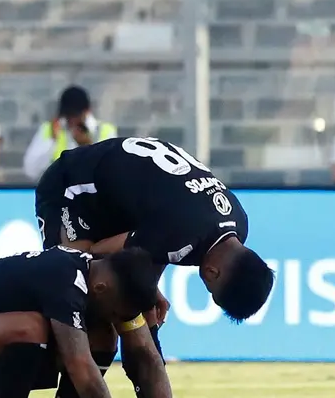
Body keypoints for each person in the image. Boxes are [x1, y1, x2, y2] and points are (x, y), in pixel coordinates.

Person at [35, 136, 273, 398]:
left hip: (113, 198)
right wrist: (137, 290)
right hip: (71, 187)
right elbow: (97, 251)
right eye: (212, 291)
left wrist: (144, 287)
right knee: (88, 299)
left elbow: (159, 240)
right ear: (212, 273)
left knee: (135, 316)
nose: (206, 285)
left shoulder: (238, 222)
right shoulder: (184, 233)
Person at [0, 246, 170, 398]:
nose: (117, 321)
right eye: (117, 313)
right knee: (31, 327)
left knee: (103, 336)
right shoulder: (64, 279)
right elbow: (80, 365)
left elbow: (136, 349)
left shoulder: (93, 273)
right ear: (101, 288)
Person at [23, 86, 118, 181]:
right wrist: (52, 140)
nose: (71, 120)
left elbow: (110, 173)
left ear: (86, 111)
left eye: (75, 115)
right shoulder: (49, 129)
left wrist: (88, 147)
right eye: (68, 115)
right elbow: (31, 171)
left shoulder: (105, 131)